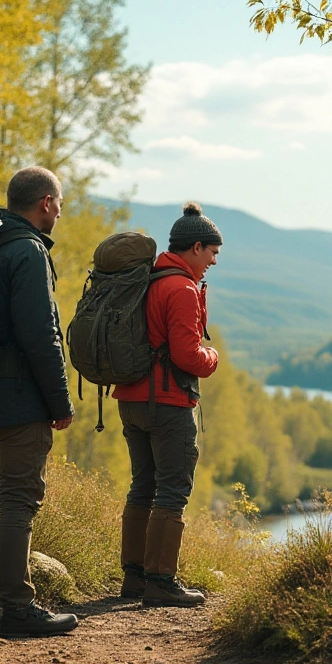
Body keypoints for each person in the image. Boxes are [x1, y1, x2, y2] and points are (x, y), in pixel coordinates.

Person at [0, 166, 79, 637]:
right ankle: (17, 607)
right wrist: (60, 401)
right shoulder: (26, 251)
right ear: (45, 202)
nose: (60, 213)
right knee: (19, 502)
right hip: (17, 399)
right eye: (60, 204)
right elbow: (40, 334)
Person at [112, 202, 222, 607]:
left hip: (131, 399)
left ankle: (134, 578)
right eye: (212, 253)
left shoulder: (150, 278)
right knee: (173, 489)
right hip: (168, 402)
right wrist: (212, 358)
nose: (213, 261)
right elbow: (187, 356)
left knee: (142, 485)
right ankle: (161, 581)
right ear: (196, 246)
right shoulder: (180, 287)